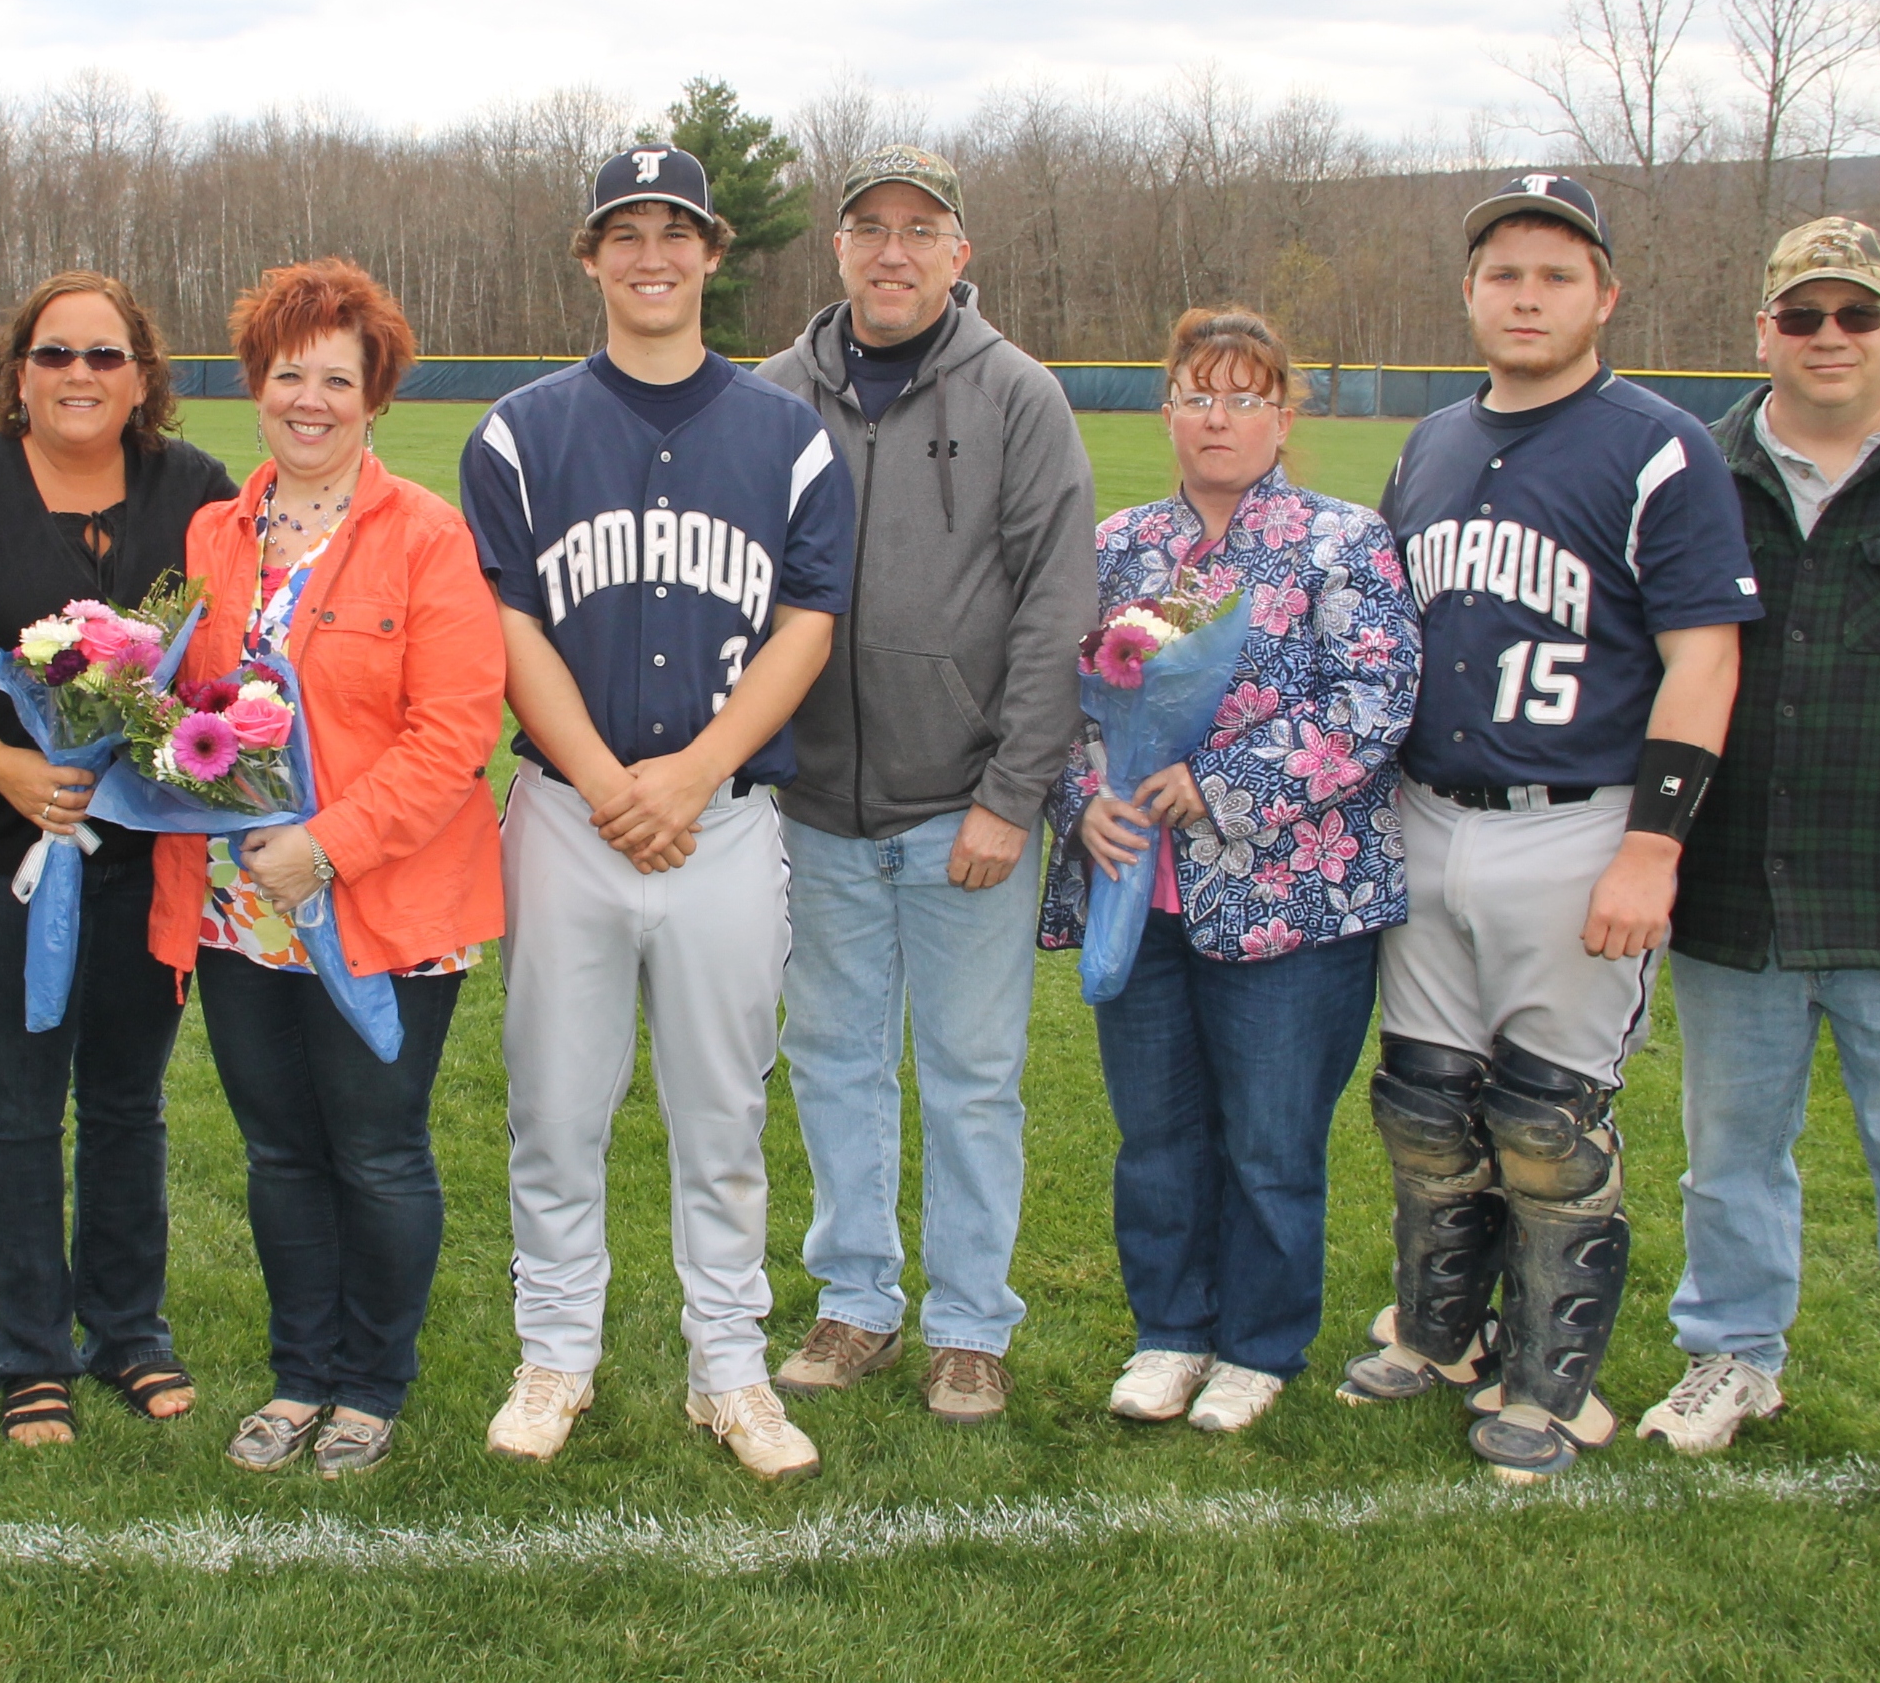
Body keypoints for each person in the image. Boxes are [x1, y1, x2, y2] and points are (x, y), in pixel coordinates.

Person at [1341, 174, 1759, 1484]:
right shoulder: (1432, 443)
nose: (1526, 297)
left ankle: (1549, 1381)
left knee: (1542, 1121)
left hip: (1575, 823)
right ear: (1470, 292)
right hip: (1427, 813)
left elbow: (1703, 658)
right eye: (1504, 273)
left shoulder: (1656, 446)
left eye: (1556, 275)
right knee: (1423, 1102)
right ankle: (1436, 1331)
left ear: (1604, 296)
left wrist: (1653, 842)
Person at [1637, 217, 1880, 1563]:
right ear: (1761, 330)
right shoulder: (1695, 473)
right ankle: (1731, 1352)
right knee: (1729, 1156)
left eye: (1854, 315)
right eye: (1800, 314)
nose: (1827, 337)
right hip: (1730, 890)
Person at [460, 145, 856, 1480]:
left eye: (673, 232)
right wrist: (606, 778)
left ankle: (727, 1368)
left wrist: (691, 772)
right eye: (623, 233)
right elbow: (507, 621)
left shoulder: (788, 436)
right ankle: (554, 1354)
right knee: (554, 1108)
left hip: (725, 822)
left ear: (711, 252)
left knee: (722, 1117)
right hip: (565, 816)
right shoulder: (518, 432)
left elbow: (808, 621)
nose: (650, 255)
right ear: (589, 256)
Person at [750, 145, 1093, 1424]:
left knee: (969, 1075)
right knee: (832, 1060)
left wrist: (1012, 792)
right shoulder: (772, 394)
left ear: (959, 252)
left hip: (963, 807)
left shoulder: (1016, 394)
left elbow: (1056, 603)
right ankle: (854, 1301)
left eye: (918, 228)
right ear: (836, 247)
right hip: (810, 806)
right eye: (868, 227)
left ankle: (967, 1324)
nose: (891, 251)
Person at [147, 257, 505, 1480]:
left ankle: (370, 1384)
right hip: (239, 906)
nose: (309, 400)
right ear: (255, 383)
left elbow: (454, 732)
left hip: (382, 896)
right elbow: (184, 702)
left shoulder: (427, 538)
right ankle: (299, 1371)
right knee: (279, 1149)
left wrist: (325, 846)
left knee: (377, 1147)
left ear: (374, 396)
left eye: (336, 379)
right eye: (287, 374)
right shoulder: (213, 532)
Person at [0, 272, 234, 1445]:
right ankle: (29, 1348)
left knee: (127, 1097)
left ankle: (127, 1328)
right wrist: (8, 768)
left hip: (149, 850)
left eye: (104, 355)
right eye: (55, 353)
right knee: (21, 1098)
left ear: (142, 376)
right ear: (16, 372)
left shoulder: (194, 489)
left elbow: (226, 654)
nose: (80, 373)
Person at [1043, 308, 1419, 1432]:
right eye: (1195, 395)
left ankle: (1257, 1344)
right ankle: (1168, 1330)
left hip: (1289, 900)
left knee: (1268, 1142)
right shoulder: (1118, 548)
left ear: (1283, 416)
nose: (1217, 417)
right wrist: (1080, 800)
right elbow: (1052, 700)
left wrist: (1220, 782)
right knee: (1157, 1137)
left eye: (1244, 397)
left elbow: (1372, 701)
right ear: (1165, 409)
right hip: (1139, 895)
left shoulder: (1340, 542)